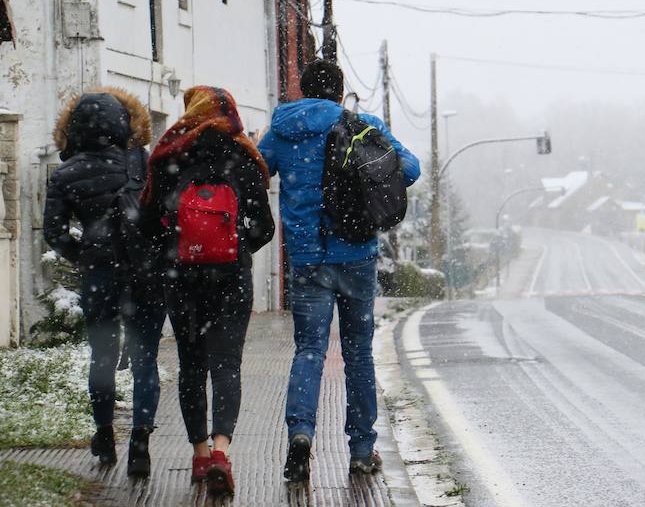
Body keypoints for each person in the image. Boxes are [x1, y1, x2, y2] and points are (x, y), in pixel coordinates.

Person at [257, 60, 420, 483]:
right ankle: (362, 450)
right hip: (357, 254)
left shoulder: (282, 130)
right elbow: (412, 168)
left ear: (302, 89)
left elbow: (257, 169)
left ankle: (300, 433)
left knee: (309, 350)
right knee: (358, 354)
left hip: (308, 257)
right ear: (339, 91)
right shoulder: (360, 125)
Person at [140, 86, 274, 496]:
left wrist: (180, 248)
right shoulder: (245, 157)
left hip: (183, 280)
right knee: (227, 364)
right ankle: (221, 450)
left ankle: (198, 454)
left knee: (191, 366)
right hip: (231, 278)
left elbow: (147, 224)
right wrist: (234, 248)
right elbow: (264, 228)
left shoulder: (169, 155)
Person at [44, 88, 167, 476]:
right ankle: (141, 441)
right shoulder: (142, 164)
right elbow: (162, 217)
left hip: (100, 277)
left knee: (102, 358)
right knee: (146, 359)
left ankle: (103, 433)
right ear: (122, 124)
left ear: (74, 127)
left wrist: (84, 256)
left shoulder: (65, 174)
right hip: (145, 273)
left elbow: (54, 231)